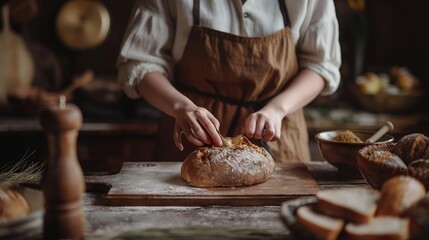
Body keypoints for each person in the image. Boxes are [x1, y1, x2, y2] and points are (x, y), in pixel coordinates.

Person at [117, 0, 341, 162]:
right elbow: (141, 63)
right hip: (192, 140)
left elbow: (321, 65)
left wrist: (277, 109)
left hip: (278, 137)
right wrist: (180, 106)